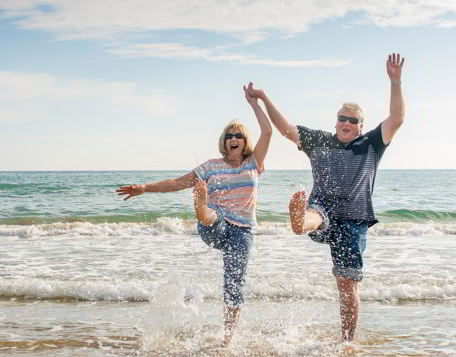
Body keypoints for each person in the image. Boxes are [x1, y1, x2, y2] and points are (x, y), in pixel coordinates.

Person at [261, 53, 406, 343]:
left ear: (361, 126)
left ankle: (347, 342)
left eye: (353, 120)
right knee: (316, 215)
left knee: (347, 284)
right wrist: (264, 98)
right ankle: (300, 220)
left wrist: (395, 81)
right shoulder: (319, 140)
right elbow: (285, 130)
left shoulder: (372, 144)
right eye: (342, 118)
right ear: (336, 121)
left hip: (354, 220)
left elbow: (397, 118)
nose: (346, 123)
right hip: (323, 209)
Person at [115, 82, 273, 346]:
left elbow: (268, 131)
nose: (233, 139)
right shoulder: (211, 166)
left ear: (245, 141)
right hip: (215, 224)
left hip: (243, 232)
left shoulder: (254, 163)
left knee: (234, 284)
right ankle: (202, 207)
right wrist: (144, 188)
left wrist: (255, 103)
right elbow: (177, 183)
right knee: (213, 216)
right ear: (224, 141)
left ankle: (227, 338)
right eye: (229, 136)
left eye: (238, 136)